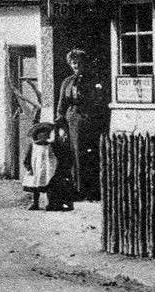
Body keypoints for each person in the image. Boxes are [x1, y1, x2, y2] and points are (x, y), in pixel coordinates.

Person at [56, 48, 103, 200]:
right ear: (70, 64)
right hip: (72, 120)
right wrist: (61, 125)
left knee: (88, 154)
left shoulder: (93, 80)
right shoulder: (67, 82)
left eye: (79, 63)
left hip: (88, 119)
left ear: (85, 64)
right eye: (74, 63)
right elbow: (61, 105)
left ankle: (90, 191)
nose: (76, 66)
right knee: (73, 155)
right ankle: (77, 190)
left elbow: (98, 100)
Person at [22, 122, 72, 211]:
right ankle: (35, 203)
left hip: (49, 169)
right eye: (40, 135)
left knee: (50, 186)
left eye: (45, 134)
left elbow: (57, 156)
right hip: (36, 169)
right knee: (35, 187)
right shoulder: (33, 146)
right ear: (36, 135)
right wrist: (29, 167)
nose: (42, 137)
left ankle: (50, 204)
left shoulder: (51, 145)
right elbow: (27, 157)